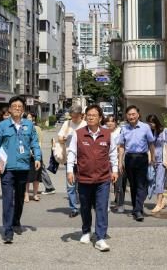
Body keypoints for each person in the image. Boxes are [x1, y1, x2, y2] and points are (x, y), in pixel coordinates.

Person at [0, 96, 42, 244]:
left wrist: (37, 157)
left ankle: (16, 221)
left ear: (23, 109)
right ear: (10, 109)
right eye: (14, 106)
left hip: (24, 167)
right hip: (7, 168)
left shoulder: (29, 125)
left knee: (20, 198)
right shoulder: (2, 126)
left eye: (20, 106)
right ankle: (8, 231)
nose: (17, 109)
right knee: (8, 199)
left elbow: (34, 143)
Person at [67, 104, 118, 252]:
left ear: (100, 118)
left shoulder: (107, 134)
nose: (90, 117)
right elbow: (72, 152)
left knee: (102, 207)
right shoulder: (78, 133)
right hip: (84, 178)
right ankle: (86, 231)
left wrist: (115, 170)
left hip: (103, 178)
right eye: (88, 115)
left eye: (94, 115)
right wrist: (69, 171)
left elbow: (113, 153)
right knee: (85, 207)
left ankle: (100, 238)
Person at [117, 105, 155, 221]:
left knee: (141, 184)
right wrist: (120, 162)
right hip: (129, 158)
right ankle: (136, 208)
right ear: (126, 116)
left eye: (133, 114)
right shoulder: (124, 128)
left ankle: (138, 210)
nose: (131, 116)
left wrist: (153, 158)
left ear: (138, 115)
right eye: (129, 114)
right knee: (133, 185)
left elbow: (151, 143)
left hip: (142, 158)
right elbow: (121, 146)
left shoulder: (145, 127)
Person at [57, 105, 86, 217]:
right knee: (71, 186)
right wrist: (64, 139)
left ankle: (84, 206)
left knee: (83, 185)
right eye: (72, 116)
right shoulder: (67, 123)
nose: (73, 118)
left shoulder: (85, 124)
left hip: (83, 159)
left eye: (75, 116)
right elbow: (59, 137)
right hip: (70, 158)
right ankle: (73, 208)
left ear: (81, 115)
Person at [147, 114, 167, 213]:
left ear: (156, 122)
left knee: (159, 182)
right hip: (153, 160)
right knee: (152, 181)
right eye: (149, 123)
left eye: (152, 123)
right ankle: (163, 199)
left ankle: (158, 204)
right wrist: (150, 158)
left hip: (162, 160)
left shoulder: (165, 131)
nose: (151, 125)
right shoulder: (151, 132)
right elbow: (150, 146)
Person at [105, 116, 123, 211]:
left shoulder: (120, 131)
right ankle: (106, 204)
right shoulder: (104, 131)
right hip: (105, 161)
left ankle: (120, 204)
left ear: (115, 123)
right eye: (107, 121)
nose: (109, 123)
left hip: (117, 160)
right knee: (106, 184)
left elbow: (121, 145)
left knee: (118, 184)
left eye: (112, 121)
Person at [25, 113, 41, 202]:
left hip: (36, 154)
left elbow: (39, 142)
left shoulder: (37, 128)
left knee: (36, 176)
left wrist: (36, 153)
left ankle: (35, 194)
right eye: (27, 117)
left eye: (30, 117)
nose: (29, 119)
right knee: (27, 176)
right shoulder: (23, 127)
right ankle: (26, 194)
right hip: (26, 155)